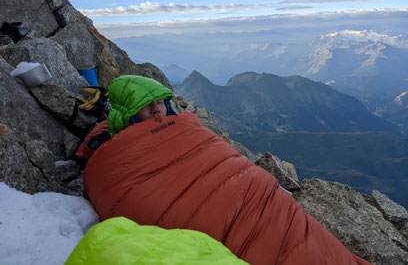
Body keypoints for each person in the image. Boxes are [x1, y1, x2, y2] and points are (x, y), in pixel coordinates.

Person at [83, 75, 371, 265]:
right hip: (212, 218)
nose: (158, 110)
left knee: (298, 235)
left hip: (257, 197)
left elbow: (221, 158)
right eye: (147, 107)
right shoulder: (113, 158)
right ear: (128, 114)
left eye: (161, 102)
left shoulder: (185, 125)